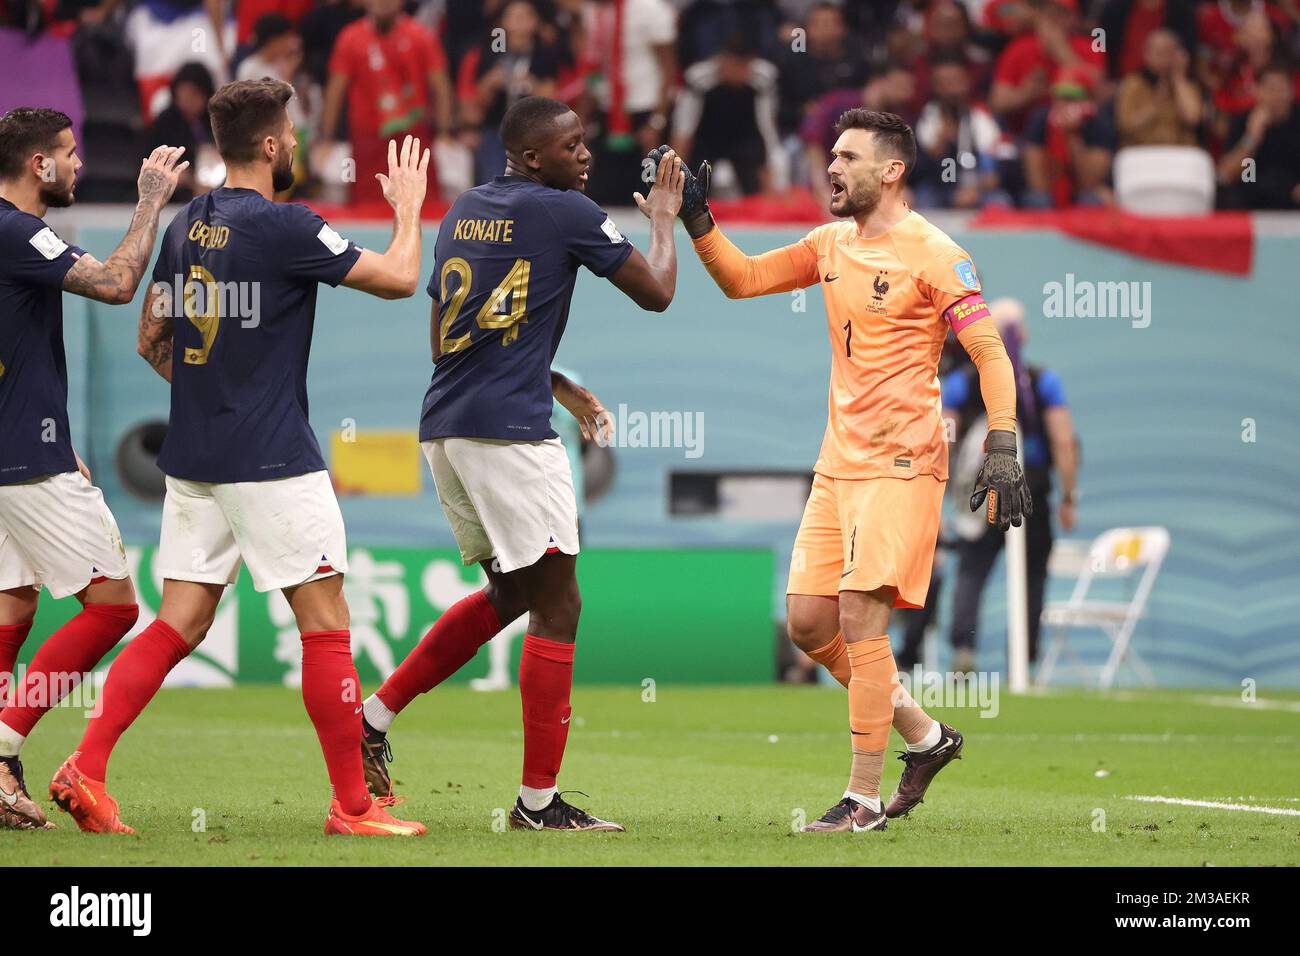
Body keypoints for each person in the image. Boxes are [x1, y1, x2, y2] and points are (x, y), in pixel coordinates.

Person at [50, 78, 431, 837]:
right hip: (272, 459)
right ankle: (354, 808)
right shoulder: (288, 227)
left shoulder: (187, 225)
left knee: (177, 622)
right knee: (325, 622)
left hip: (195, 459)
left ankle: (84, 769)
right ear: (269, 144)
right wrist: (409, 209)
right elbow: (400, 278)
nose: (294, 142)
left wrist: (210, 393)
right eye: (289, 132)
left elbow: (151, 340)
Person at [663, 108, 1030, 831]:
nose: (830, 166)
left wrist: (1004, 441)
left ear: (890, 170)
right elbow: (742, 279)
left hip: (903, 461)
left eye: (847, 156)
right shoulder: (829, 242)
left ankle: (861, 799)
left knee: (862, 617)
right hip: (839, 465)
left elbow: (989, 352)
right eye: (830, 154)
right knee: (807, 622)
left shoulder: (936, 253)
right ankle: (926, 737)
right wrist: (699, 220)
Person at [354, 95, 684, 832]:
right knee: (560, 600)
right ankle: (538, 804)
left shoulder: (464, 209)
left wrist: (553, 379)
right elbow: (657, 293)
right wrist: (662, 215)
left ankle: (370, 719)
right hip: (507, 434)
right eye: (574, 145)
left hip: (446, 423)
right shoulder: (564, 213)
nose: (587, 155)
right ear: (533, 156)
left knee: (513, 594)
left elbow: (452, 331)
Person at [0, 108, 187, 829]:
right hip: (27, 463)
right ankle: (6, 747)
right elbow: (114, 284)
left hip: (17, 449)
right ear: (37, 166)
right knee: (113, 607)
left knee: (13, 605)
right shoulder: (21, 231)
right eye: (68, 154)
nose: (78, 165)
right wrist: (148, 200)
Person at [943, 298, 1078, 674]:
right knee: (1032, 572)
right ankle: (1024, 657)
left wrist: (946, 493)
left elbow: (944, 440)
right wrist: (1069, 496)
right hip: (1030, 491)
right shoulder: (1043, 381)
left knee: (972, 570)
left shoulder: (961, 383)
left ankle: (963, 648)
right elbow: (1064, 442)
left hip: (980, 491)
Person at [317, 0, 452, 202]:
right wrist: (326, 138)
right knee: (368, 207)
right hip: (368, 143)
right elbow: (335, 91)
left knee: (419, 203)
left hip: (413, 141)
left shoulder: (421, 35)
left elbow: (441, 87)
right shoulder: (349, 37)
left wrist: (444, 132)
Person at [1113, 28, 1202, 148]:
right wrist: (1156, 104)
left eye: (1168, 52)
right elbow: (1125, 126)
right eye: (1157, 52)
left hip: (1178, 153)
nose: (1162, 58)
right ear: (1146, 54)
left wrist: (1178, 79)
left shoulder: (1186, 85)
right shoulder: (1133, 84)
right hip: (1140, 151)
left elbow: (1192, 118)